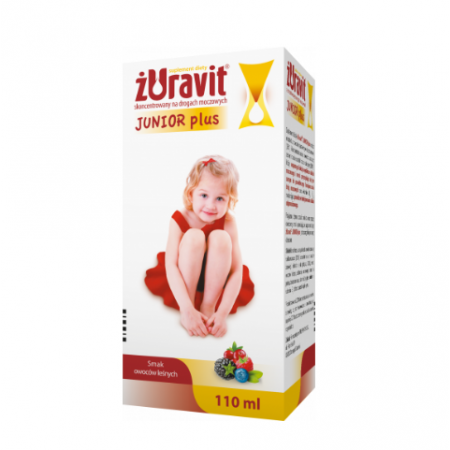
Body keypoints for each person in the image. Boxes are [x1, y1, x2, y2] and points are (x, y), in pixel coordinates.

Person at [145, 155, 255, 338]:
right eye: (204, 195)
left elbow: (237, 271)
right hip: (184, 277)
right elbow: (171, 265)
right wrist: (186, 308)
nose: (211, 205)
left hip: (217, 280)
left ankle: (208, 306)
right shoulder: (179, 218)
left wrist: (222, 313)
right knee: (194, 236)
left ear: (230, 200)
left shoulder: (228, 222)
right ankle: (189, 309)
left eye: (220, 198)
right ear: (191, 194)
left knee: (221, 237)